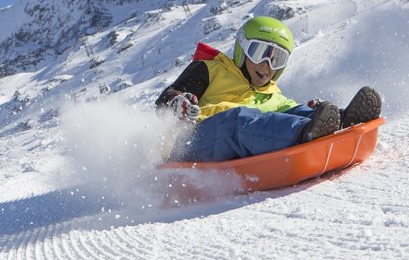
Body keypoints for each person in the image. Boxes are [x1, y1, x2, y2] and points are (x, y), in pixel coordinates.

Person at [155, 16, 381, 163]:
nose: (267, 64)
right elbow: (167, 97)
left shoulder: (272, 93)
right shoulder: (211, 69)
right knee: (237, 119)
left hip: (236, 142)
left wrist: (319, 113)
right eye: (260, 52)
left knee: (294, 112)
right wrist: (178, 102)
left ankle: (344, 122)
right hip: (192, 145)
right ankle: (306, 133)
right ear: (241, 50)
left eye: (276, 58)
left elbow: (292, 109)